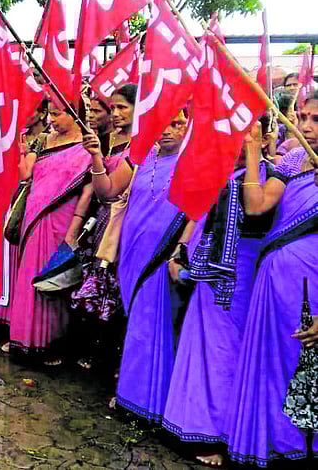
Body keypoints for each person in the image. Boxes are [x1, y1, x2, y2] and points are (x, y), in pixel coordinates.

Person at [161, 118, 276, 468]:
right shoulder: (221, 170)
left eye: (246, 132)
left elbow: (255, 211)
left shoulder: (270, 176)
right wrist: (181, 249)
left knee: (226, 352)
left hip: (240, 276)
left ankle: (220, 434)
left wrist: (255, 152)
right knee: (199, 345)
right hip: (206, 271)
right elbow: (198, 214)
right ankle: (189, 425)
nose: (236, 139)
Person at [222, 91, 318, 466]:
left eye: (316, 120)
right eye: (303, 117)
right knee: (271, 367)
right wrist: (250, 149)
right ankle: (270, 446)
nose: (307, 127)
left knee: (303, 370)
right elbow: (257, 204)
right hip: (273, 282)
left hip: (312, 288)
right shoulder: (294, 160)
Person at [88, 109, 191, 420]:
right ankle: (133, 396)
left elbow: (199, 210)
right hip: (133, 252)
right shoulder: (140, 153)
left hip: (164, 256)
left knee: (157, 324)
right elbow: (107, 191)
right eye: (162, 124)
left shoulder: (195, 160)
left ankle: (154, 403)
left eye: (177, 123)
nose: (168, 130)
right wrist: (95, 156)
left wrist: (180, 250)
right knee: (135, 323)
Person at [0, 101, 93, 364]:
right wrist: (21, 149)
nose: (51, 119)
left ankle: (51, 343)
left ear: (76, 116)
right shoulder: (43, 140)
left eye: (57, 114)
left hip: (62, 218)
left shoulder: (88, 147)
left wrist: (75, 225)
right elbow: (26, 174)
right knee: (29, 276)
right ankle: (24, 338)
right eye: (50, 113)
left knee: (52, 278)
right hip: (34, 216)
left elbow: (87, 190)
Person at [70, 85, 135, 371]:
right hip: (100, 223)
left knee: (118, 289)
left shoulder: (144, 145)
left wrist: (97, 158)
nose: (116, 113)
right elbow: (95, 191)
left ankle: (115, 357)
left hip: (126, 226)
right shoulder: (107, 140)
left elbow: (109, 191)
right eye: (114, 108)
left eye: (123, 107)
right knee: (98, 286)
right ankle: (98, 350)